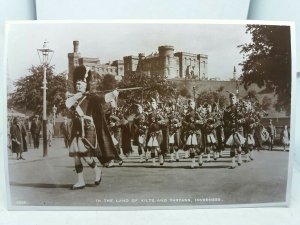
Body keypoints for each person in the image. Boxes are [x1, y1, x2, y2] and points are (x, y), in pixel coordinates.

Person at [65, 65, 121, 190]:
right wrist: (75, 96)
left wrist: (113, 94)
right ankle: (80, 181)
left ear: (86, 85)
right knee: (76, 155)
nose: (78, 85)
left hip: (87, 127)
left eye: (81, 84)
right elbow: (68, 105)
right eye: (77, 84)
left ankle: (97, 171)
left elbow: (103, 99)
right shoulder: (73, 98)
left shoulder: (91, 97)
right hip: (76, 128)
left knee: (84, 154)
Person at [223, 93, 246, 169]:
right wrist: (228, 123)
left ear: (236, 99)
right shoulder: (227, 109)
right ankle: (233, 163)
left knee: (239, 146)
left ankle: (239, 158)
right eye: (231, 98)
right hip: (231, 129)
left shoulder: (239, 108)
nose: (232, 100)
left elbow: (244, 118)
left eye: (233, 98)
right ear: (229, 99)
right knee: (232, 146)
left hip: (238, 128)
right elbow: (225, 119)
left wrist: (240, 121)